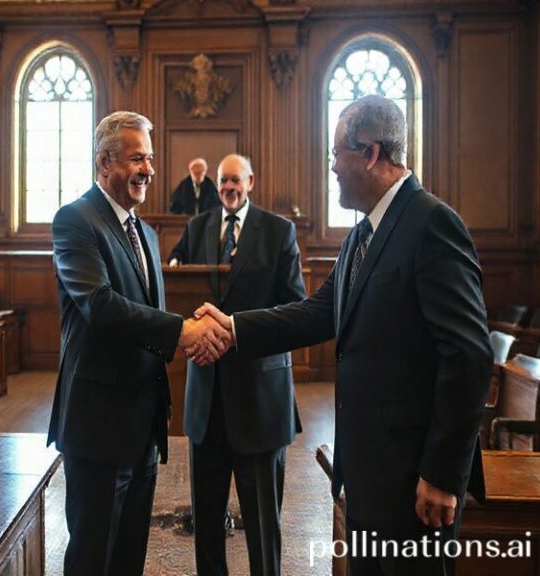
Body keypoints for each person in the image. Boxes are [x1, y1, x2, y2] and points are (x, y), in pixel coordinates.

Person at [196, 95, 492, 576]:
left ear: (371, 153)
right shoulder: (362, 234)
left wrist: (441, 474)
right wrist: (233, 328)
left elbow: (470, 357)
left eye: (336, 154)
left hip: (415, 480)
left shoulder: (431, 223)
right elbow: (317, 313)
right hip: (366, 472)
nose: (331, 166)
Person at [48, 111, 230, 576]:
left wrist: (193, 335)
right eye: (136, 159)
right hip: (98, 425)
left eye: (149, 158)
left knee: (129, 559)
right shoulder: (75, 221)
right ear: (104, 162)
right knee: (93, 558)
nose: (148, 169)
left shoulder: (146, 234)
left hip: (142, 427)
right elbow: (101, 305)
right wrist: (183, 332)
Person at [169, 154, 307, 576]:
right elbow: (178, 283)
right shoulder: (197, 227)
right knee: (207, 528)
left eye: (235, 180)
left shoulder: (279, 231)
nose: (228, 187)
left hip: (260, 399)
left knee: (263, 529)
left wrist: (236, 332)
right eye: (223, 180)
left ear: (250, 181)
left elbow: (296, 309)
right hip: (205, 399)